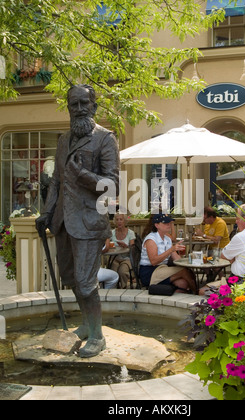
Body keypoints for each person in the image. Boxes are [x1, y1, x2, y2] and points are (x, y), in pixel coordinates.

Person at [35, 84, 120, 358]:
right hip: (62, 222)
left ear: (94, 106)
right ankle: (86, 324)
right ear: (69, 108)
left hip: (88, 222)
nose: (80, 109)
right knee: (71, 278)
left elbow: (112, 185)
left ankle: (97, 335)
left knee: (86, 282)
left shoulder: (105, 139)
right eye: (74, 104)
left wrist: (82, 174)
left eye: (84, 103)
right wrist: (47, 214)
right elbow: (57, 182)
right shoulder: (62, 141)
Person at [139, 214, 197, 293]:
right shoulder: (151, 239)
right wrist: (171, 250)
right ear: (157, 225)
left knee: (182, 283)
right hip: (149, 272)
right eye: (165, 223)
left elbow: (176, 258)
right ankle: (197, 293)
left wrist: (189, 262)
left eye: (169, 222)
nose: (169, 225)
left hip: (162, 269)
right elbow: (154, 261)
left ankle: (176, 302)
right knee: (183, 271)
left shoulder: (167, 239)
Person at [108, 213, 136, 288]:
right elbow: (107, 245)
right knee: (113, 271)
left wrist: (126, 246)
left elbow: (133, 249)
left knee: (122, 271)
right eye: (117, 220)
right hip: (114, 258)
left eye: (121, 219)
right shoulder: (112, 233)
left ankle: (123, 288)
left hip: (126, 259)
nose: (119, 221)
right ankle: (113, 288)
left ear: (125, 221)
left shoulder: (130, 233)